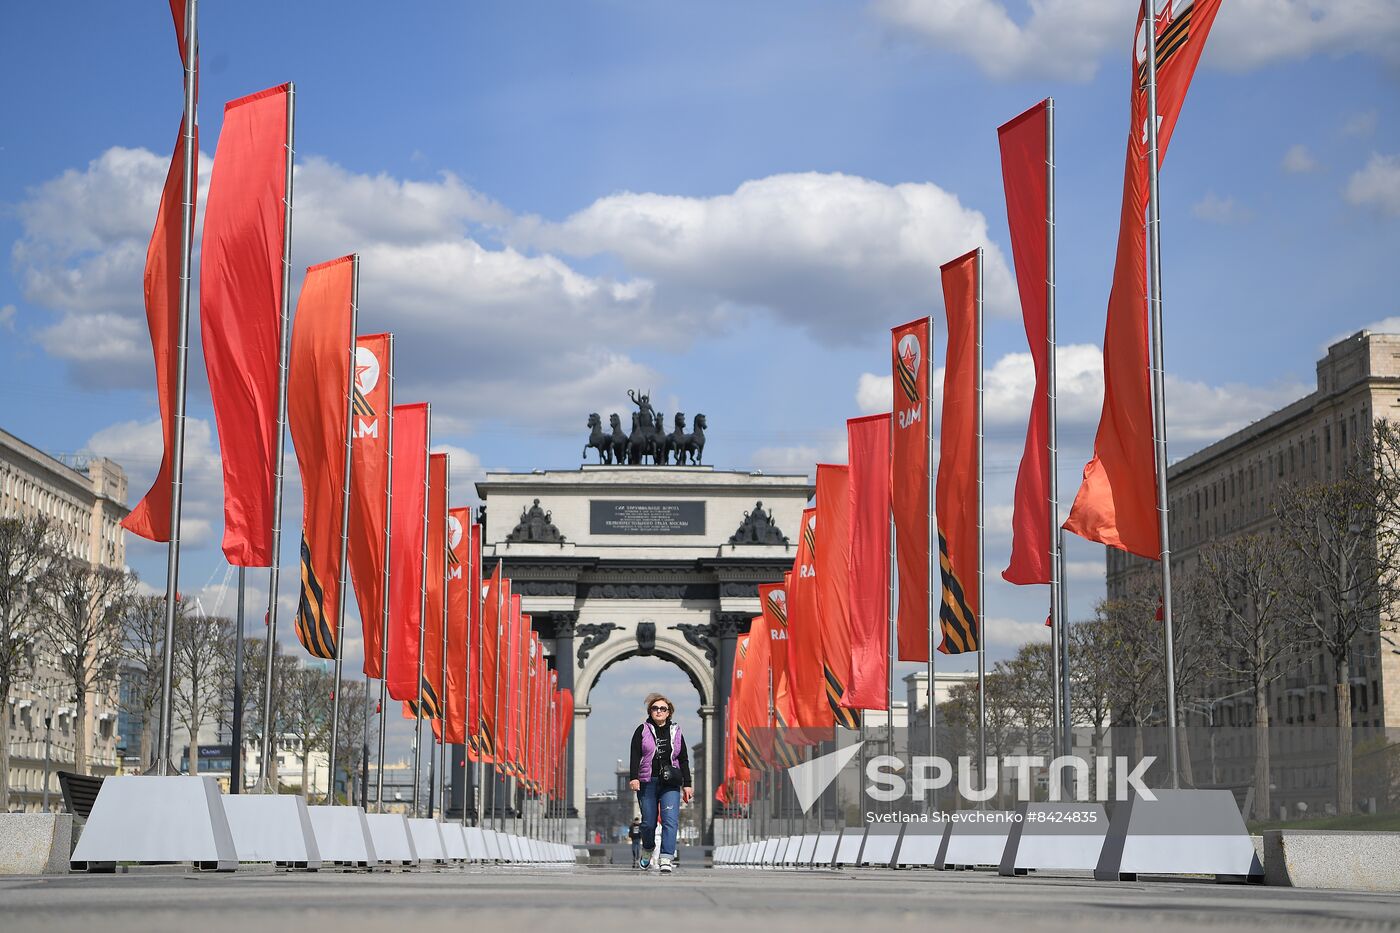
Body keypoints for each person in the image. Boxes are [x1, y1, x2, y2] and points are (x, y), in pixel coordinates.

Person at [627, 692, 693, 874]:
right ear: (650, 711)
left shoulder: (676, 731)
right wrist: (634, 777)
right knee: (648, 823)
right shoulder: (642, 730)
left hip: (670, 783)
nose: (659, 711)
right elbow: (635, 754)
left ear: (669, 712)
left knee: (670, 820)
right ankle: (648, 848)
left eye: (663, 708)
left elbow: (683, 758)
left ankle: (666, 857)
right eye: (655, 708)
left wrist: (687, 784)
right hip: (647, 782)